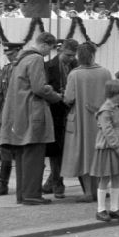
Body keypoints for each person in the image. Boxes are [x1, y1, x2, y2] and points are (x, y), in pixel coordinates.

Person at [0, 31, 62, 204]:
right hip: (32, 113)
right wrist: (56, 96)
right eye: (50, 48)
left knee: (22, 156)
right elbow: (39, 87)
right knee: (34, 154)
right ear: (45, 45)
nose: (49, 53)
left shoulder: (20, 60)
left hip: (18, 114)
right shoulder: (36, 59)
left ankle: (22, 194)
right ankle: (32, 195)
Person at [61, 43, 113, 202]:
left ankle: (88, 193)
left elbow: (69, 98)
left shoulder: (74, 75)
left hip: (80, 121)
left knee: (82, 154)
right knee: (100, 153)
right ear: (93, 55)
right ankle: (100, 190)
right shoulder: (105, 72)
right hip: (101, 120)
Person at [0, 42, 24, 195]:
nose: (10, 57)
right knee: (5, 149)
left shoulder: (24, 67)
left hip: (21, 115)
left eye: (13, 54)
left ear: (19, 52)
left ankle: (28, 184)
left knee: (24, 150)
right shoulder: (6, 69)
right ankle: (3, 183)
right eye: (8, 55)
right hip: (5, 116)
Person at [91, 79, 119, 223]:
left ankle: (114, 208)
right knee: (105, 178)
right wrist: (116, 147)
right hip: (108, 148)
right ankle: (101, 209)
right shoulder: (105, 110)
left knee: (116, 177)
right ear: (115, 93)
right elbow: (107, 130)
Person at [43, 38, 78, 198]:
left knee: (69, 148)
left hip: (71, 111)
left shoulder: (76, 65)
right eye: (68, 55)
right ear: (59, 50)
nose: (70, 58)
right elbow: (45, 88)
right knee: (56, 149)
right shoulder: (48, 66)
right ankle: (57, 182)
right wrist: (58, 96)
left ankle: (52, 181)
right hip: (55, 111)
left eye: (73, 55)